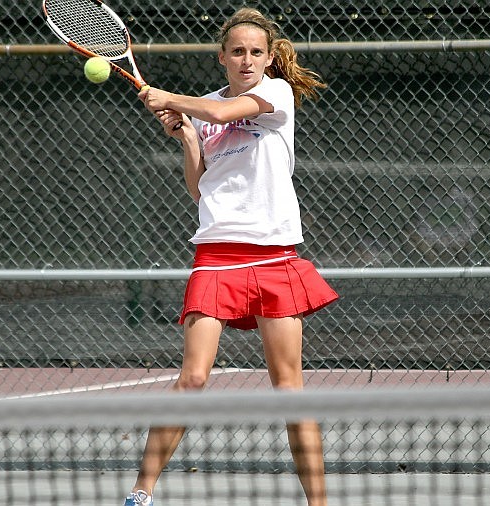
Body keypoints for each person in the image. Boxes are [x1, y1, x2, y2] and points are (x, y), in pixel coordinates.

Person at [124, 8, 338, 506]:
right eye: (237, 51)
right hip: (217, 254)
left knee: (290, 389)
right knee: (193, 378)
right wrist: (185, 138)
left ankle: (320, 505)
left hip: (274, 256)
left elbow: (222, 112)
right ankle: (140, 493)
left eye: (256, 52)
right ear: (222, 57)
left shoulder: (276, 94)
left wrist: (173, 100)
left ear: (268, 58)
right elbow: (202, 189)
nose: (247, 60)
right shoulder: (206, 110)